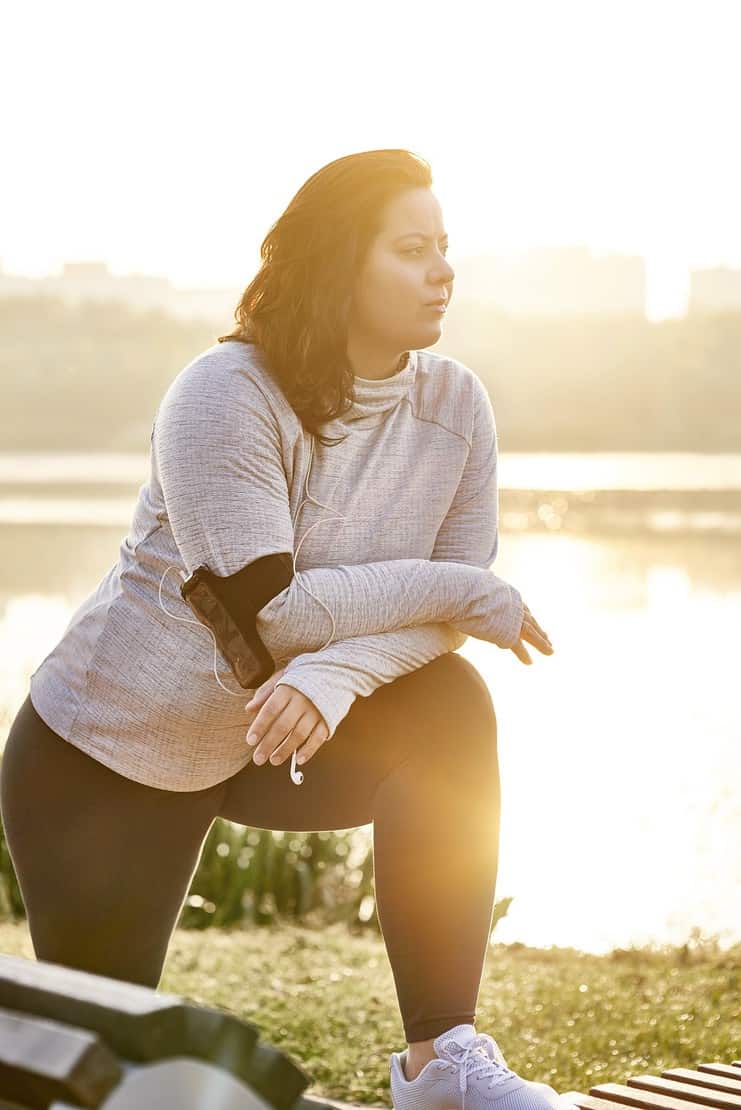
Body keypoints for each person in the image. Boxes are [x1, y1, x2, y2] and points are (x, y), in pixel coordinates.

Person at [0, 149, 566, 1110]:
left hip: (280, 733)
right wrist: (461, 590)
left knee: (450, 708)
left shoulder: (455, 405)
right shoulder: (224, 395)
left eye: (445, 248)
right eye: (412, 249)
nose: (443, 271)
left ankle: (442, 1067)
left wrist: (339, 677)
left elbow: (440, 616)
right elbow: (274, 616)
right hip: (112, 749)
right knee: (98, 1080)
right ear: (342, 261)